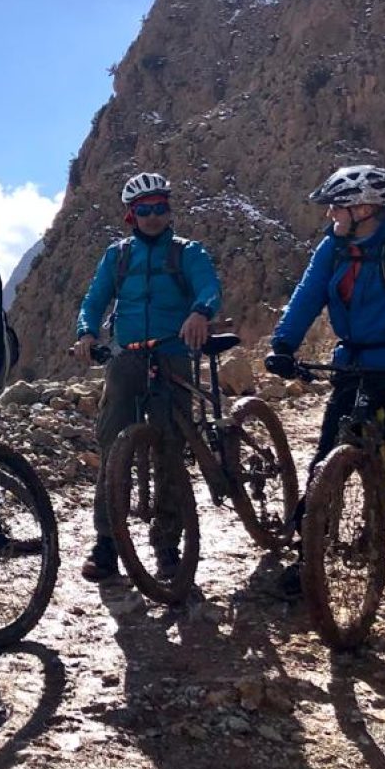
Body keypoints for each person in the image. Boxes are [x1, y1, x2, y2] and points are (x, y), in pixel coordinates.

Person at [264, 165, 385, 624]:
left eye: (337, 207)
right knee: (325, 458)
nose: (330, 214)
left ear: (364, 209)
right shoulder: (334, 247)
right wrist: (283, 344)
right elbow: (307, 294)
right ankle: (308, 561)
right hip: (353, 364)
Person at [73, 172, 222, 582]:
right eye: (144, 210)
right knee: (111, 445)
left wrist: (200, 312)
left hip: (173, 354)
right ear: (131, 216)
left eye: (159, 208)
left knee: (169, 450)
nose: (152, 217)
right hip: (128, 357)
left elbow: (209, 287)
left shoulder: (187, 252)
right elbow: (94, 299)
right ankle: (106, 545)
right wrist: (86, 331)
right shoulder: (117, 256)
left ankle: (167, 546)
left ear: (168, 210)